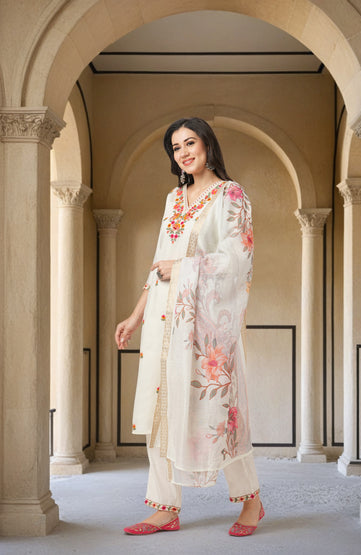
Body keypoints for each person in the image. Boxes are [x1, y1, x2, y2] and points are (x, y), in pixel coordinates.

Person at [115, 117, 263, 537]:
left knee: (219, 413)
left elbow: (238, 260)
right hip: (163, 320)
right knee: (160, 406)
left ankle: (251, 501)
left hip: (205, 328)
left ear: (207, 145)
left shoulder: (231, 195)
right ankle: (164, 508)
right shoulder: (173, 199)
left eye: (189, 143)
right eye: (175, 147)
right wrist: (136, 315)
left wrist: (181, 268)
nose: (183, 152)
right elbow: (158, 262)